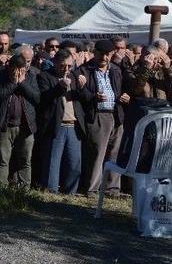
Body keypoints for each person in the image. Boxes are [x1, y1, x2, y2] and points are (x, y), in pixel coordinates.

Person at [79, 39, 128, 197]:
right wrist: (94, 97)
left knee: (114, 153)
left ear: (112, 54)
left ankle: (112, 189)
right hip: (99, 115)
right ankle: (92, 189)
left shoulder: (116, 70)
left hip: (116, 114)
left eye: (107, 54)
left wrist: (125, 97)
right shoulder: (85, 70)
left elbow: (121, 89)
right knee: (98, 153)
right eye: (101, 54)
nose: (104, 57)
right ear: (95, 52)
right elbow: (81, 93)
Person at [37, 49, 89, 195]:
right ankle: (50, 191)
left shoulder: (75, 76)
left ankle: (70, 192)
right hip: (56, 125)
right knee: (53, 162)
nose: (66, 69)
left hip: (74, 125)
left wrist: (83, 87)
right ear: (54, 63)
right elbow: (44, 98)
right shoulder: (45, 76)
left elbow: (86, 98)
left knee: (74, 164)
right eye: (63, 66)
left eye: (69, 66)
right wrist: (59, 87)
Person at [0, 55, 40, 186]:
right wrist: (12, 83)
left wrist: (22, 83)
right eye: (14, 68)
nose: (17, 72)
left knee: (25, 160)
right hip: (5, 125)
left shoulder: (31, 77)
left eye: (21, 69)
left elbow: (36, 98)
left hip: (26, 125)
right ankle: (1, 188)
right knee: (2, 160)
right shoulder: (0, 76)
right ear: (9, 67)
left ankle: (24, 190)